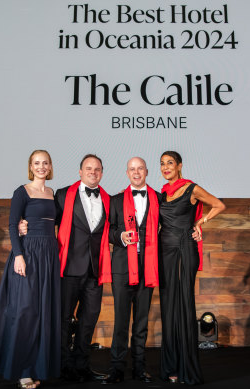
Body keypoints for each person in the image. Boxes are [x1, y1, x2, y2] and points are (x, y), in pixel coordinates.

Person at [21, 154, 112, 382]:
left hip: (95, 270)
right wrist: (24, 225)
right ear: (80, 172)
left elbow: (111, 230)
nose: (93, 172)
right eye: (88, 168)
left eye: (97, 169)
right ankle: (61, 366)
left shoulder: (109, 199)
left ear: (102, 173)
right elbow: (45, 219)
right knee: (62, 320)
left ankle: (81, 366)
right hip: (68, 268)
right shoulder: (62, 195)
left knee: (89, 320)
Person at [0, 150, 60, 389]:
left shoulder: (51, 193)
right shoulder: (22, 192)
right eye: (37, 163)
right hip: (28, 254)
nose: (41, 167)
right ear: (30, 166)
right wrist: (18, 255)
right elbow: (12, 224)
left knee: (43, 313)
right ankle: (22, 370)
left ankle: (37, 367)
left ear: (50, 166)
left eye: (45, 163)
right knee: (25, 312)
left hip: (48, 255)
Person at [158, 150, 226, 385]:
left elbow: (218, 205)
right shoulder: (161, 194)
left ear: (179, 166)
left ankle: (187, 368)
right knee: (168, 307)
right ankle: (171, 367)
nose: (166, 167)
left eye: (170, 163)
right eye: (162, 164)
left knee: (184, 305)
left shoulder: (191, 188)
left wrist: (200, 221)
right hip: (164, 253)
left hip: (184, 250)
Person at [101, 157, 161, 385]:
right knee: (121, 322)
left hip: (148, 268)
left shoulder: (158, 198)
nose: (136, 173)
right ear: (127, 173)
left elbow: (171, 225)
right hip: (122, 269)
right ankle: (116, 369)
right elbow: (107, 231)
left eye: (140, 169)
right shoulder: (115, 200)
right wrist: (120, 237)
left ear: (146, 171)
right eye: (132, 169)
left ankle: (139, 368)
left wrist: (195, 227)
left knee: (142, 322)